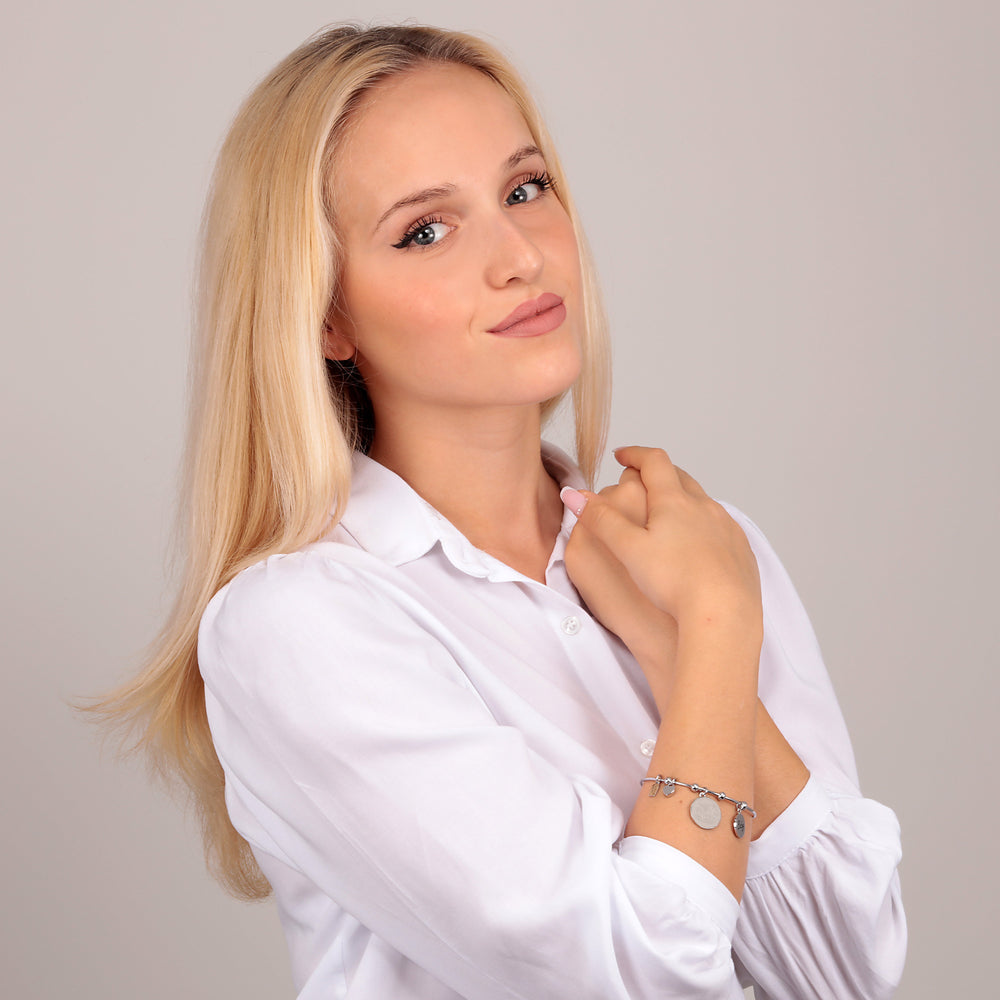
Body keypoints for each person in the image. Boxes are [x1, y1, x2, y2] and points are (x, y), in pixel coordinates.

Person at [95, 23, 906, 1000]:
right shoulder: (300, 623)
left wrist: (674, 634)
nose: (520, 255)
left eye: (525, 189)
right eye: (425, 231)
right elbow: (638, 977)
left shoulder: (698, 551)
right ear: (327, 315)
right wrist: (718, 633)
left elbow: (846, 974)